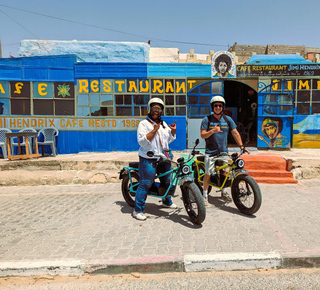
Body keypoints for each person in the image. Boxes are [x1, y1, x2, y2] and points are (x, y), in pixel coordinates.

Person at [133, 97, 177, 221]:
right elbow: (142, 142)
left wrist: (172, 132)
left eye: (159, 109)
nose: (156, 111)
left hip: (162, 157)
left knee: (166, 181)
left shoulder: (163, 125)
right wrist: (154, 130)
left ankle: (166, 201)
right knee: (145, 183)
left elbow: (168, 141)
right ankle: (138, 210)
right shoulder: (144, 124)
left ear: (161, 111)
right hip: (148, 158)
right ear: (150, 109)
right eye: (154, 108)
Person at [200, 95, 249, 205]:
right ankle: (204, 194)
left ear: (223, 107)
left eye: (220, 106)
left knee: (224, 172)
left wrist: (241, 146)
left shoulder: (227, 119)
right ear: (212, 107)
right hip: (210, 153)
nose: (218, 107)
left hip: (223, 152)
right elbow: (203, 135)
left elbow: (235, 133)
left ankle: (224, 192)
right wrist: (212, 131)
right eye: (216, 105)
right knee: (208, 173)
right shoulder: (206, 120)